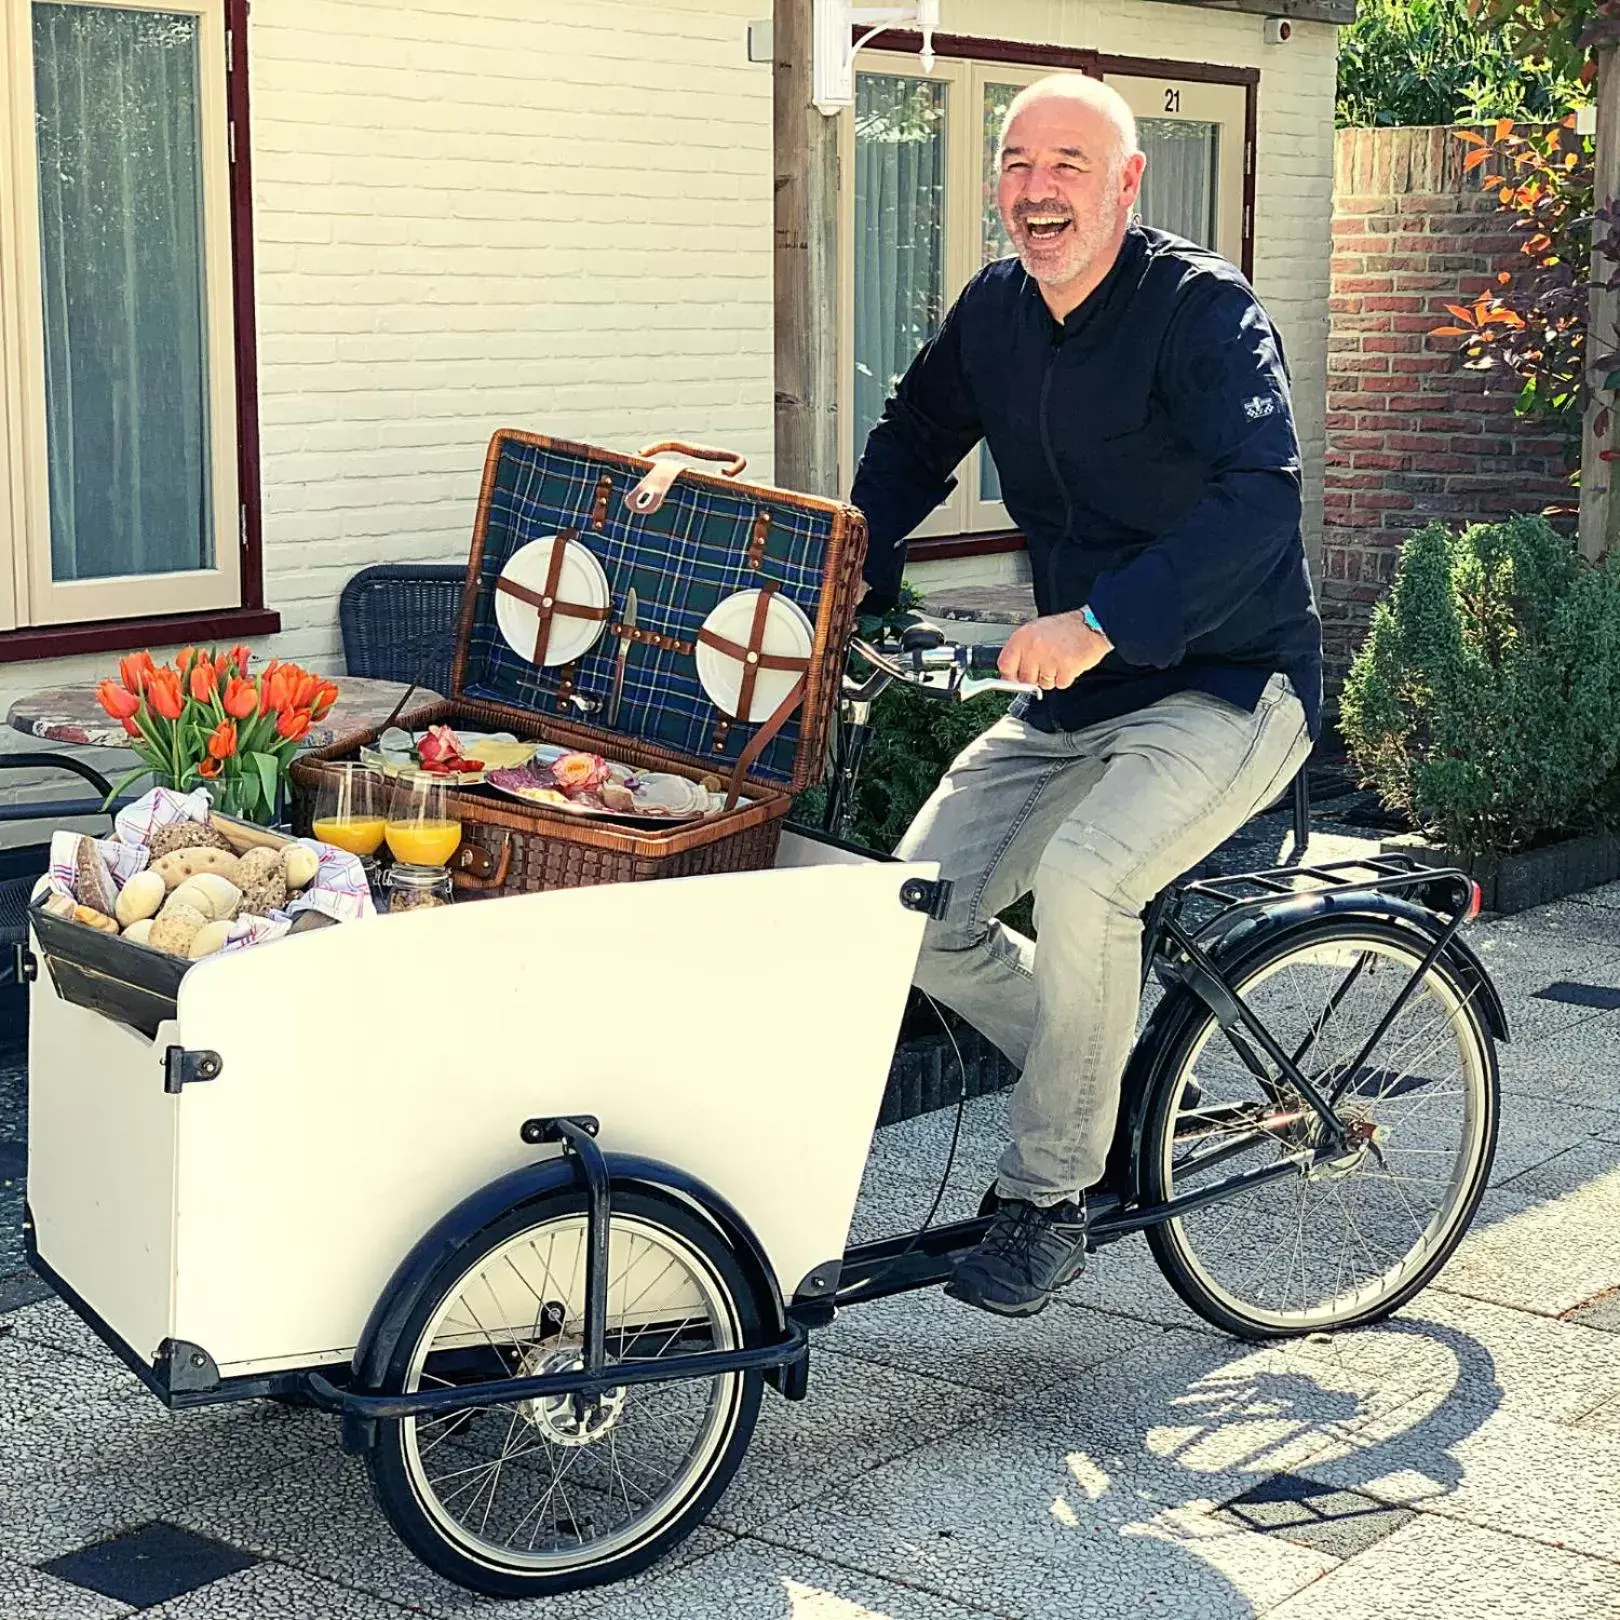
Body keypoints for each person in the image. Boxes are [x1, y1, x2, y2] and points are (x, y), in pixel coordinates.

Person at [849, 74, 1322, 1317]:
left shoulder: (1201, 312)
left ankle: (1053, 1190)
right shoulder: (999, 310)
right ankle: (1106, 1068)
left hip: (1228, 681)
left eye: (1069, 162)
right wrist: (851, 558)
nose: (1036, 186)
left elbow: (1260, 498)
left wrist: (1104, 620)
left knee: (1085, 882)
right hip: (1076, 697)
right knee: (914, 911)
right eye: (1016, 162)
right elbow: (912, 436)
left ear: (1125, 183)